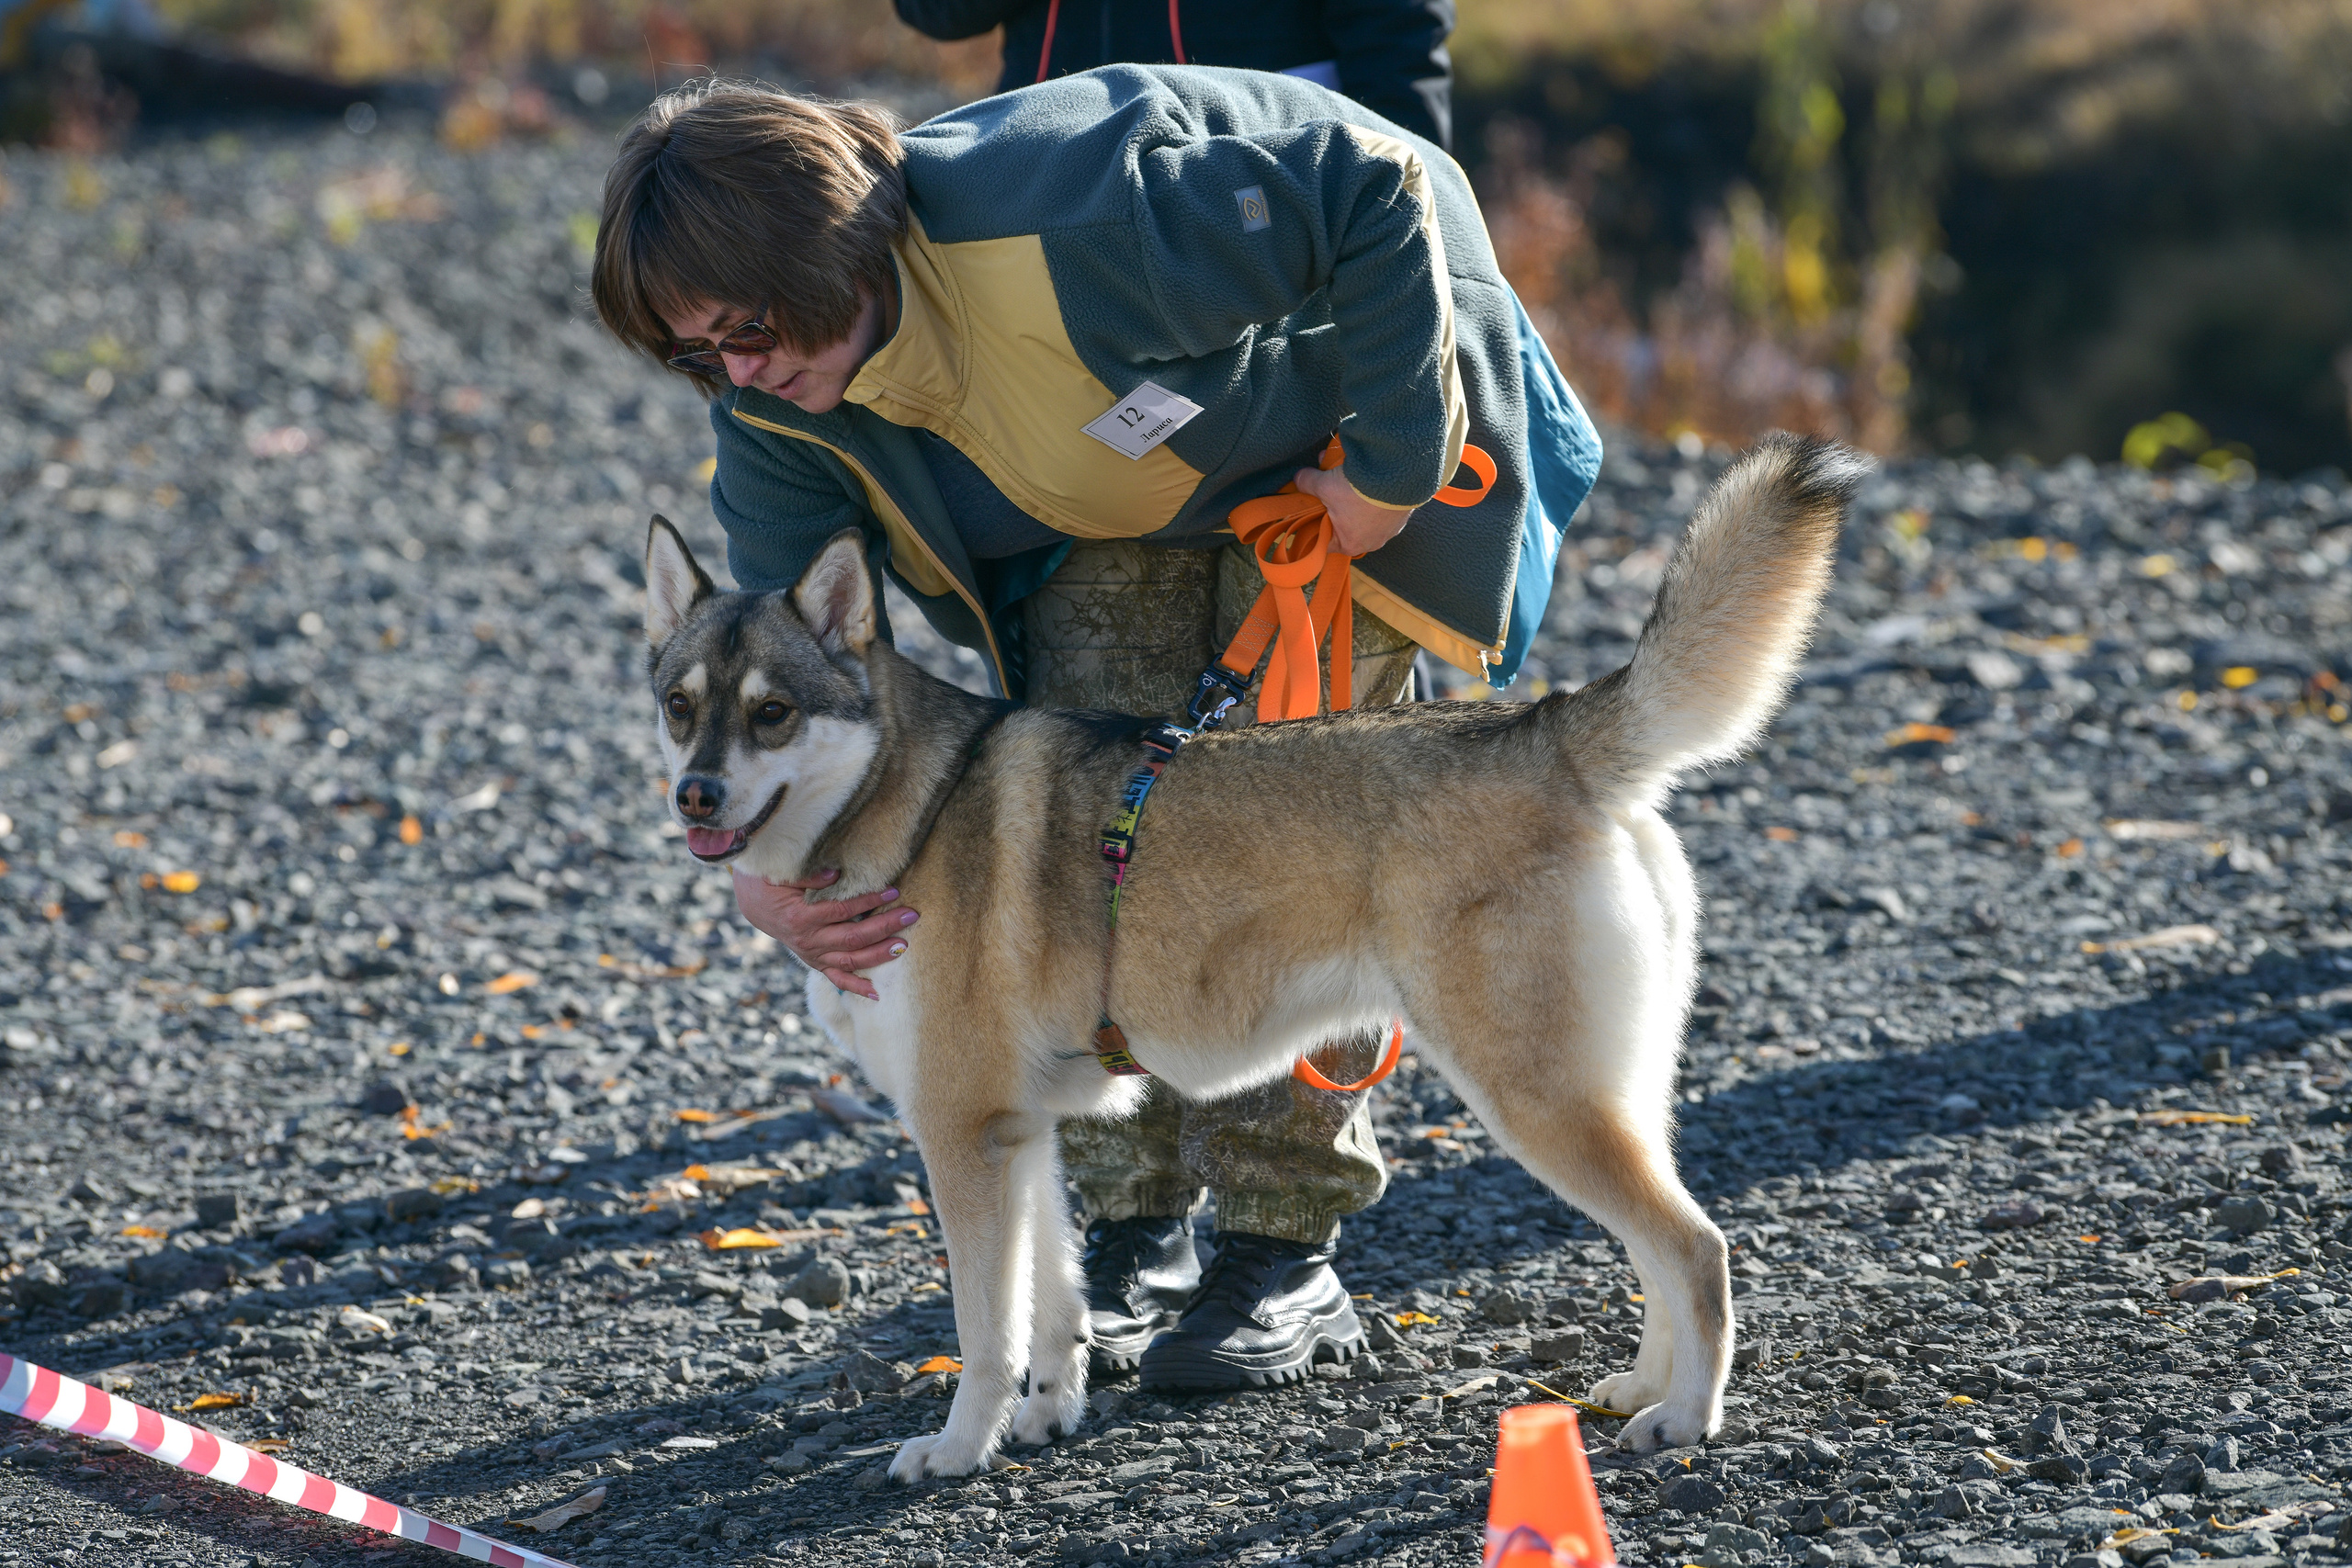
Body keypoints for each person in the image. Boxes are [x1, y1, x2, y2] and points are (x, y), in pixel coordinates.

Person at [591, 67, 1600, 1390]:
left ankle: (1285, 1248)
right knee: (1075, 833)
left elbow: (1380, 189)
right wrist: (767, 882)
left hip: (1331, 424)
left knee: (1307, 846)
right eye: (697, 353)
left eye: (747, 327)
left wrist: (1391, 472)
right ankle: (1139, 1235)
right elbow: (787, 674)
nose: (738, 372)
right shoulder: (771, 405)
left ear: (832, 244)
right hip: (1104, 488)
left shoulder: (1075, 226)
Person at [891, 0, 1454, 151]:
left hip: (1267, 178)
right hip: (1047, 172)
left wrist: (1418, 195)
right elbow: (933, 9)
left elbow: (1397, 30)